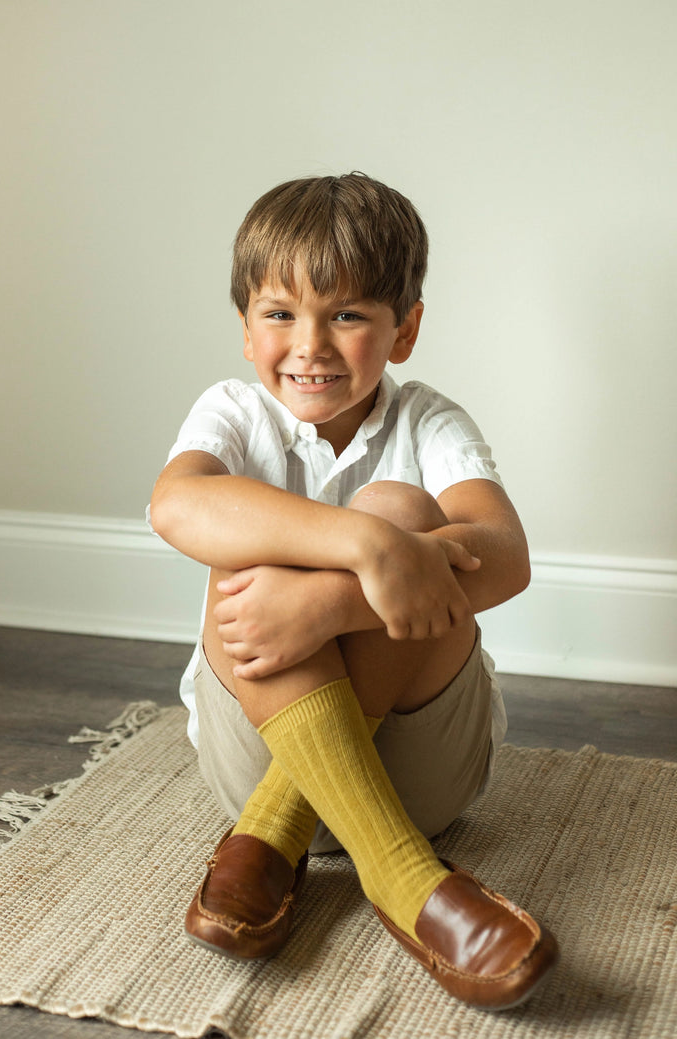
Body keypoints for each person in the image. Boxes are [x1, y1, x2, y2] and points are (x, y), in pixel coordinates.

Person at [149, 172, 558, 1010]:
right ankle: (404, 877)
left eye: (346, 315)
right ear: (244, 327)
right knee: (251, 546)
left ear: (404, 330)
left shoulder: (431, 421)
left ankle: (284, 835)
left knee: (404, 505)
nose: (310, 346)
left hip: (423, 770)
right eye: (279, 313)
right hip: (256, 753)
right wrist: (364, 548)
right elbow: (175, 504)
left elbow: (507, 555)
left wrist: (337, 599)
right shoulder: (230, 412)